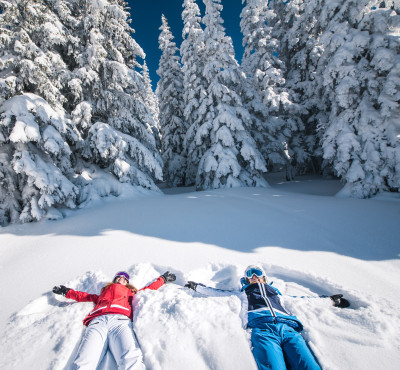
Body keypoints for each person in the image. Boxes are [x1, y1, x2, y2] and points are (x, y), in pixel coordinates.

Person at [185, 265, 349, 370]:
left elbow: (305, 301)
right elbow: (217, 292)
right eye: (250, 274)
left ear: (264, 277)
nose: (254, 276)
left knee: (308, 366)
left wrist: (330, 301)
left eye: (257, 273)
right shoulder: (243, 293)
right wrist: (197, 287)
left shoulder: (276, 293)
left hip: (288, 330)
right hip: (262, 330)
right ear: (247, 279)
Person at [53, 270, 176, 369]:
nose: (121, 278)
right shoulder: (102, 294)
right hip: (98, 322)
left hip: (120, 322)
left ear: (127, 282)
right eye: (119, 277)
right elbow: (83, 296)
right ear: (114, 280)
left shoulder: (130, 292)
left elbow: (149, 289)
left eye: (124, 278)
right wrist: (66, 292)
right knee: (84, 361)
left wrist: (163, 279)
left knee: (131, 358)